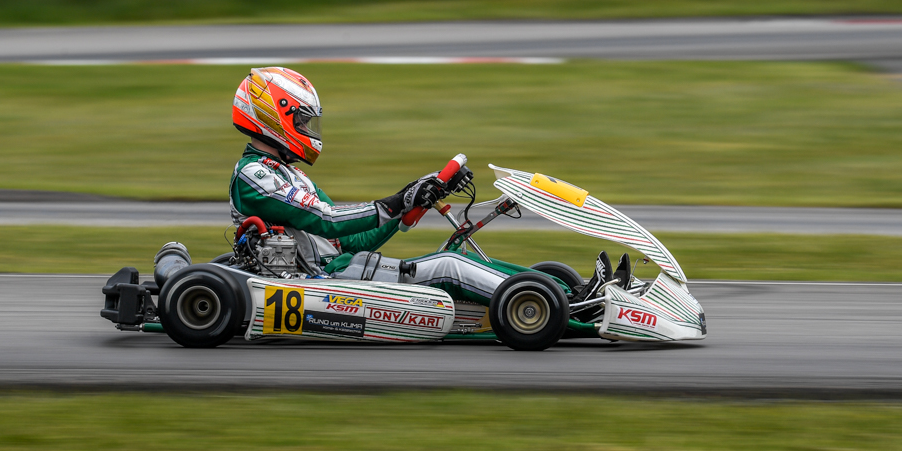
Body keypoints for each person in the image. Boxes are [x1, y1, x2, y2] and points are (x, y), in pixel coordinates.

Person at [228, 66, 613, 306]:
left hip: (341, 269)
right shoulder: (254, 175)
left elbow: (353, 240)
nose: (309, 132)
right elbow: (328, 220)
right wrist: (397, 202)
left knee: (460, 260)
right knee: (449, 267)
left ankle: (566, 293)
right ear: (275, 117)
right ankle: (554, 301)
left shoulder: (288, 174)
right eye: (304, 122)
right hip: (321, 285)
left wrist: (420, 199)